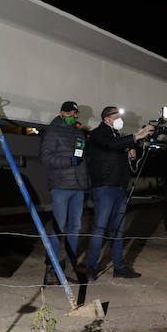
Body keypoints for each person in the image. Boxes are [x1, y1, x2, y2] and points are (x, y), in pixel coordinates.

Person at [85, 105, 155, 280]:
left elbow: (117, 147)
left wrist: (131, 153)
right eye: (116, 116)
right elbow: (110, 145)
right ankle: (91, 266)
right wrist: (136, 136)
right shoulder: (98, 134)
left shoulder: (118, 136)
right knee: (100, 228)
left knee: (118, 229)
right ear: (107, 118)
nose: (119, 119)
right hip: (104, 187)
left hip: (119, 188)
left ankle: (119, 267)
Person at [39, 101, 89, 285]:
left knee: (75, 228)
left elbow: (83, 159)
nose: (73, 116)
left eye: (75, 114)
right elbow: (46, 158)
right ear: (61, 113)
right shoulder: (53, 131)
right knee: (58, 229)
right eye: (69, 113)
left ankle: (70, 267)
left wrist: (86, 183)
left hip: (78, 188)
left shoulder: (79, 133)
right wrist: (68, 161)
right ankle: (50, 270)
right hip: (60, 186)